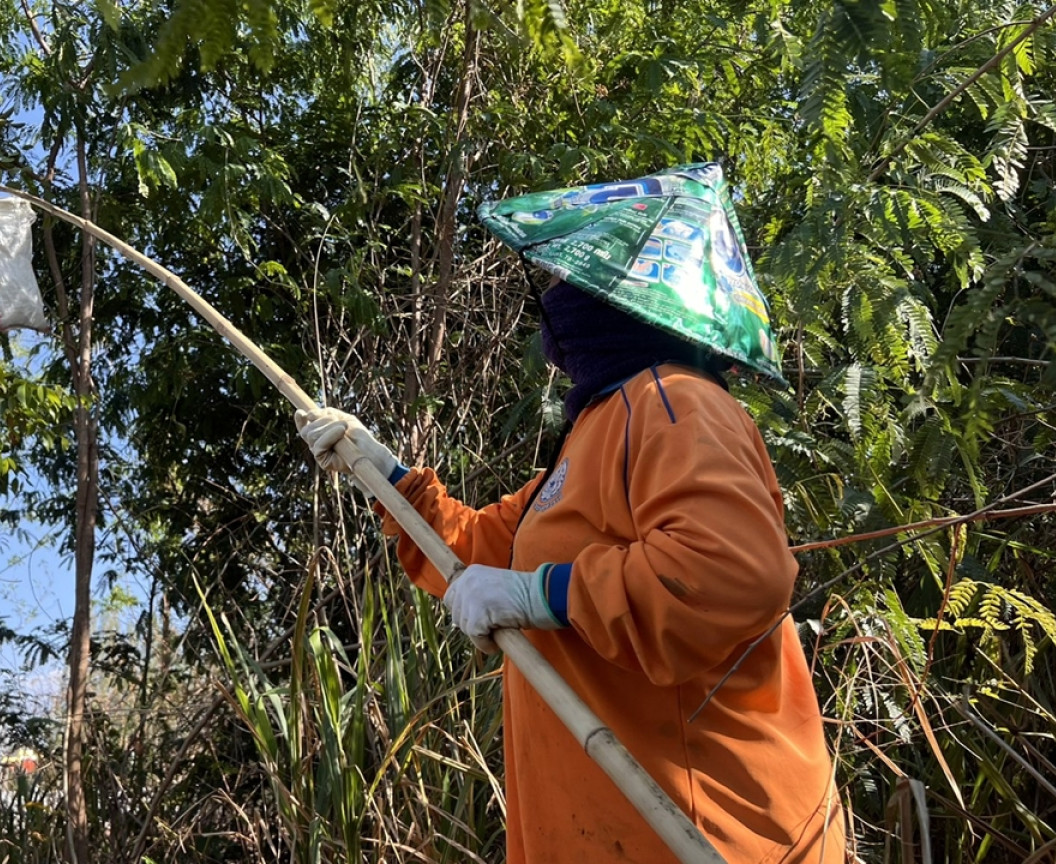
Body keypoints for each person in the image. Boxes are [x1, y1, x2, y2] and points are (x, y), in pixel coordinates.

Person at [295, 275, 847, 863]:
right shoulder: (600, 424)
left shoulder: (677, 402)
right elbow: (486, 550)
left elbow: (728, 571)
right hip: (607, 826)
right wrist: (383, 473)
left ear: (625, 300)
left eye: (573, 280)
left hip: (703, 828)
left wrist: (544, 595)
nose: (555, 295)